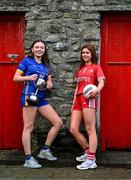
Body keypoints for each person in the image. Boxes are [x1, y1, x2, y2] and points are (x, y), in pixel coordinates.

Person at [13, 40, 63, 169]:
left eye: (42, 47)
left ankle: (45, 150)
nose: (39, 49)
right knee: (28, 127)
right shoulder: (26, 61)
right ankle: (28, 158)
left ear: (44, 50)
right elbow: (16, 78)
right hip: (30, 96)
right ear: (33, 49)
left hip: (40, 98)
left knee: (58, 123)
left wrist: (48, 84)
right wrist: (29, 78)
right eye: (37, 47)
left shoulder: (47, 65)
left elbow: (50, 83)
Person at [70, 44, 105, 170]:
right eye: (83, 52)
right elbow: (76, 88)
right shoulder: (80, 69)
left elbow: (101, 81)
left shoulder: (96, 67)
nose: (85, 54)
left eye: (87, 53)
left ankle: (91, 160)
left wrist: (97, 91)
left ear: (92, 54)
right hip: (78, 100)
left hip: (89, 99)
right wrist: (73, 103)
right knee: (73, 128)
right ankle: (87, 151)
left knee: (90, 129)